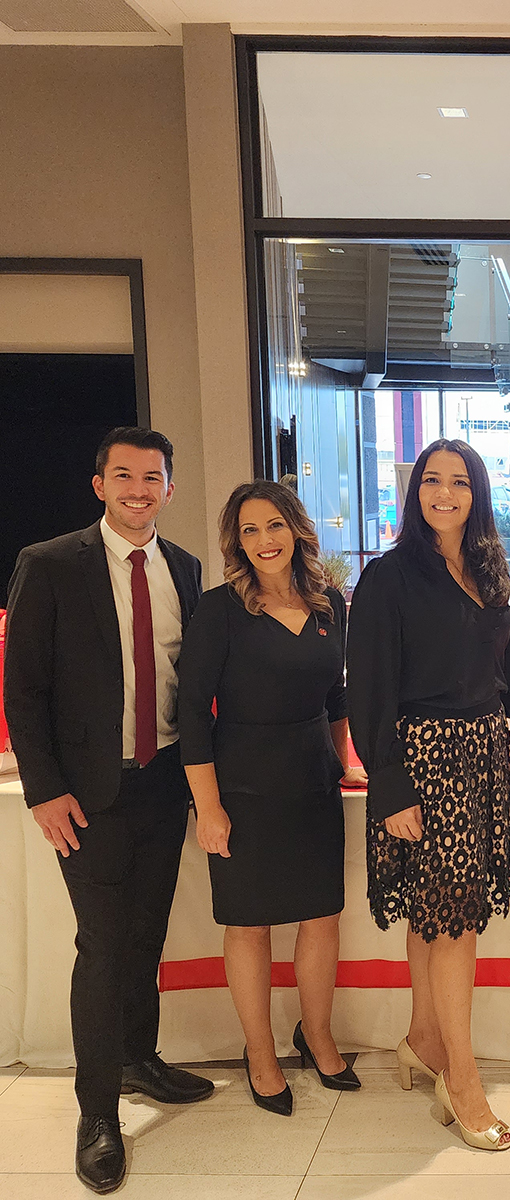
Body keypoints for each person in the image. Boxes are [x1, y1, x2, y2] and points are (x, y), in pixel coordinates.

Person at [2, 427, 213, 1194]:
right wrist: (44, 788)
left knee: (146, 933)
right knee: (102, 944)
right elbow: (23, 688)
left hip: (163, 783)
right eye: (123, 475)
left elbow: (189, 679)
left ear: (169, 489)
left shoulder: (184, 568)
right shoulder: (50, 564)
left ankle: (137, 1058)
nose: (137, 489)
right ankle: (97, 1114)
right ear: (99, 485)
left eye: (152, 477)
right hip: (86, 794)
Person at [346, 438, 510, 1152]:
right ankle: (462, 1080)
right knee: (454, 921)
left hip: (482, 755)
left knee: (436, 915)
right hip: (422, 761)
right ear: (415, 493)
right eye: (432, 480)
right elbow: (367, 690)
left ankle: (423, 1041)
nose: (445, 493)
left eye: (459, 481)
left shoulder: (490, 565)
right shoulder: (388, 576)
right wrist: (391, 786)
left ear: (478, 493)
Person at [176, 481, 366, 1115]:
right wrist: (208, 808)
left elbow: (337, 695)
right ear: (237, 542)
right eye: (249, 530)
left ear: (296, 530)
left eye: (274, 525)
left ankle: (317, 1036)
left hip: (313, 785)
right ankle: (260, 1053)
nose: (264, 540)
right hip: (243, 788)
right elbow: (192, 715)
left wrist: (341, 760)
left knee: (321, 917)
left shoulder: (329, 603)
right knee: (249, 925)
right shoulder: (218, 610)